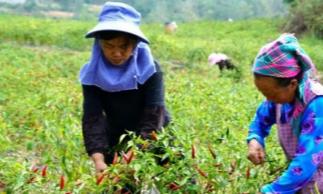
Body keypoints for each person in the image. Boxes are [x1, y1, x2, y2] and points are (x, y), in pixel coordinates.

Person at [79, 2, 170, 176]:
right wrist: (98, 159)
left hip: (157, 135)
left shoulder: (150, 69)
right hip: (117, 136)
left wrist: (136, 152)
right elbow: (93, 118)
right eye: (109, 46)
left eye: (124, 46)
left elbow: (154, 113)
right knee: (119, 185)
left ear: (135, 45)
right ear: (99, 44)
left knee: (176, 181)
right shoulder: (91, 74)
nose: (117, 53)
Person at [247, 33, 323, 193]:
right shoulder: (279, 100)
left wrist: (272, 191)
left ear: (292, 84)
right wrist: (255, 139)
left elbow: (307, 161)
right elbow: (261, 119)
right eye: (264, 93)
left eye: (271, 94)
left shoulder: (317, 105)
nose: (268, 99)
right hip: (299, 179)